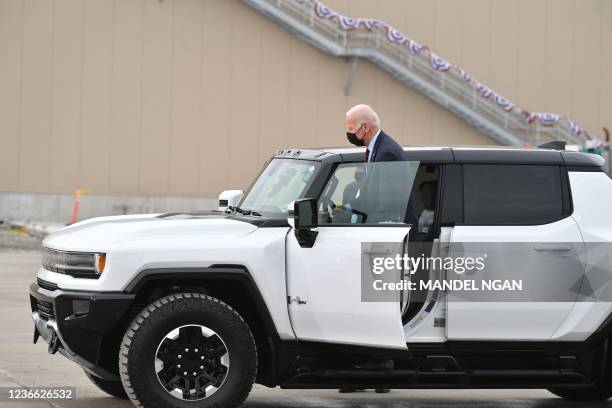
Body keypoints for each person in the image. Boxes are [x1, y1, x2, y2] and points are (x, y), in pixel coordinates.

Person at [338, 105, 417, 394]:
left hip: (388, 235)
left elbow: (386, 203)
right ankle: (375, 366)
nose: (349, 135)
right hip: (380, 232)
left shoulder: (388, 153)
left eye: (351, 130)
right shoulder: (377, 149)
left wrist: (355, 210)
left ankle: (381, 365)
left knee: (379, 298)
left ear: (365, 128)